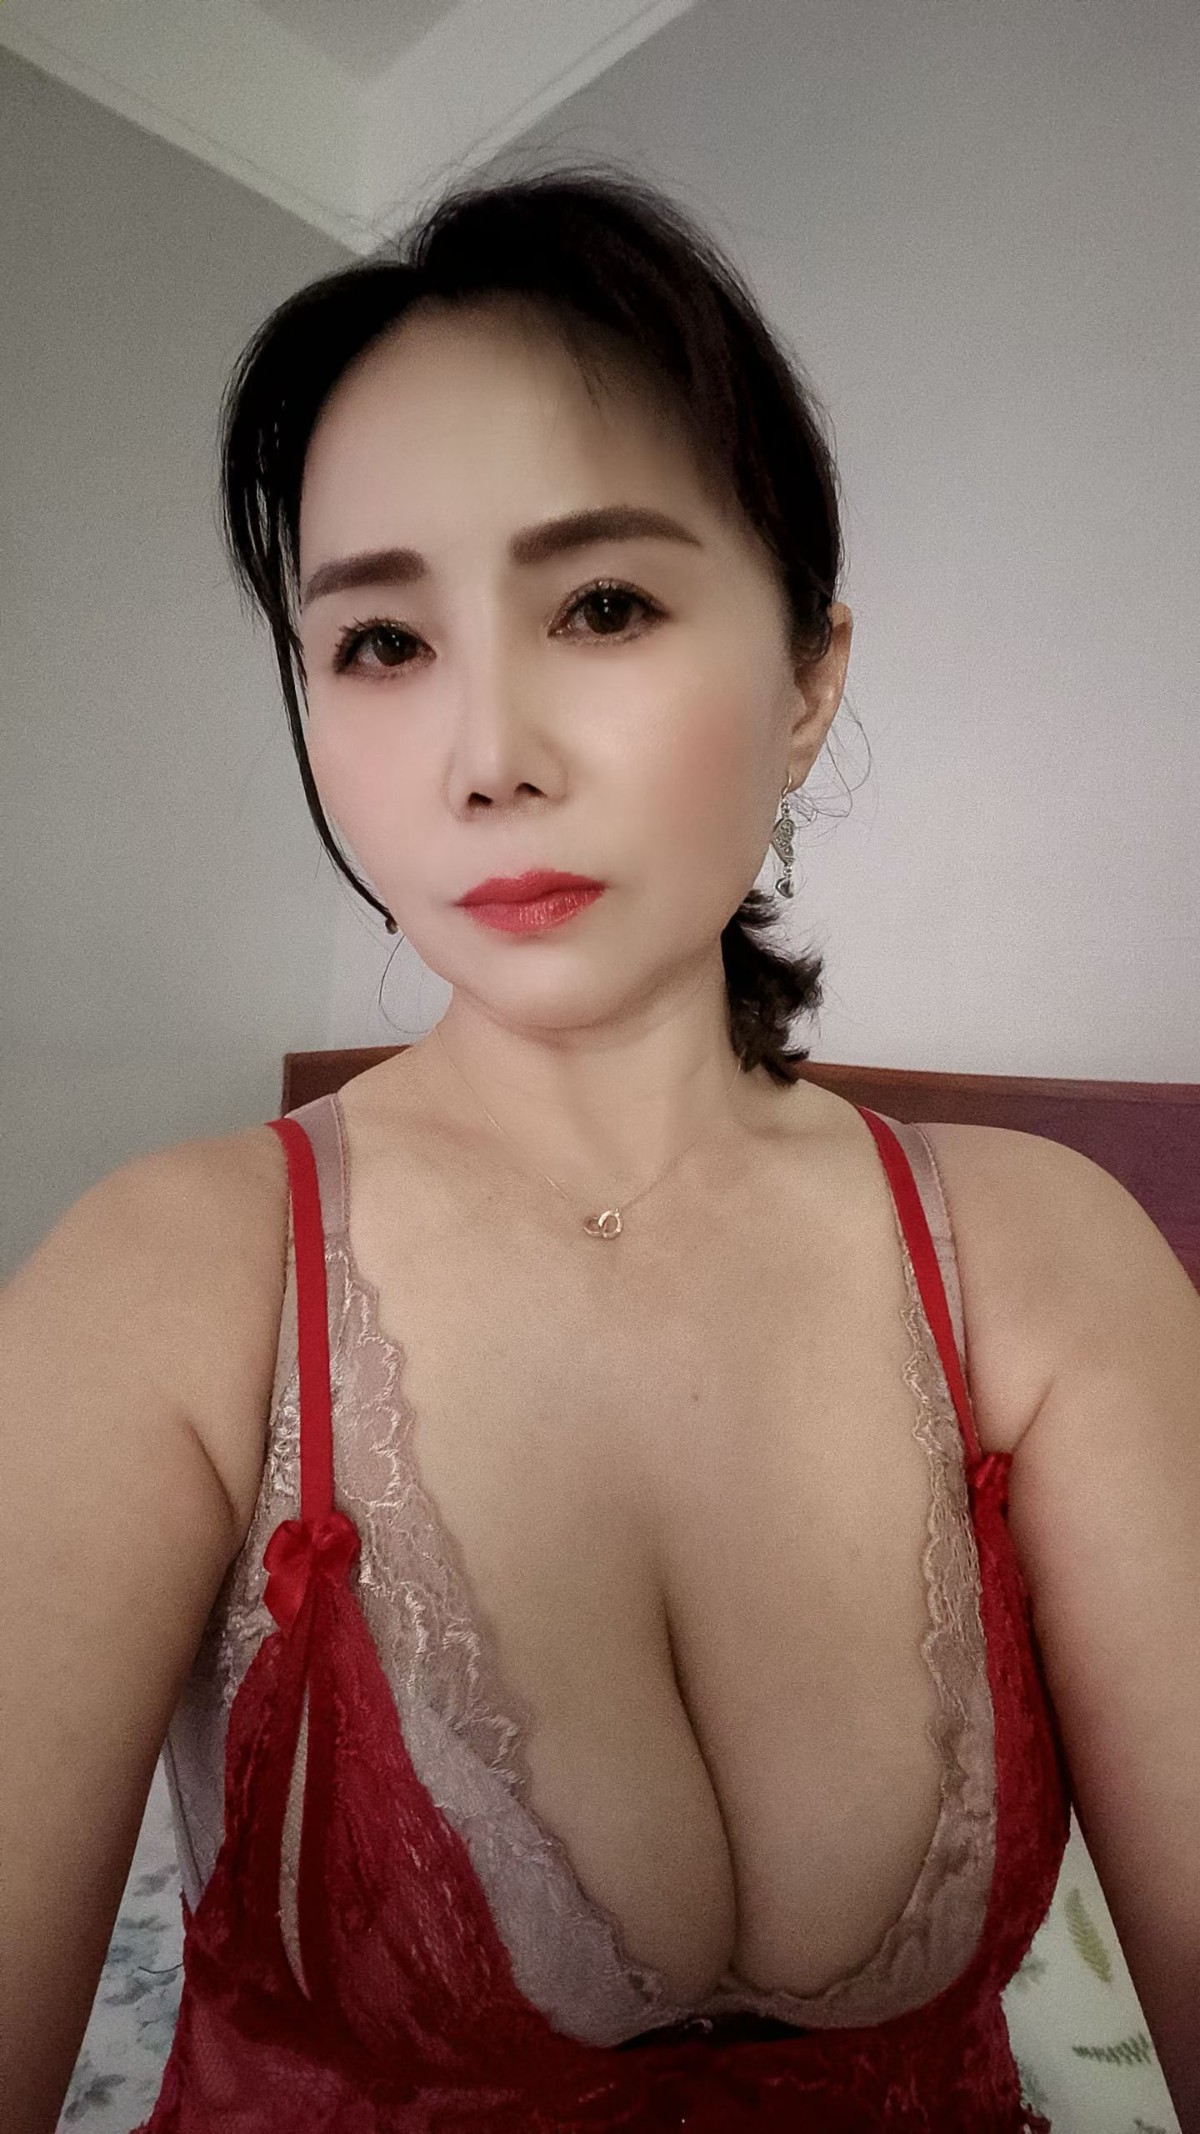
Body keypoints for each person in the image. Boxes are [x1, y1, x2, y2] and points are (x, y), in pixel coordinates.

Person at [4, 163, 1197, 2134]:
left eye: (605, 603)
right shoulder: (162, 1286)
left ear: (808, 679)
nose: (491, 756)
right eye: (381, 642)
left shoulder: (1049, 1264)